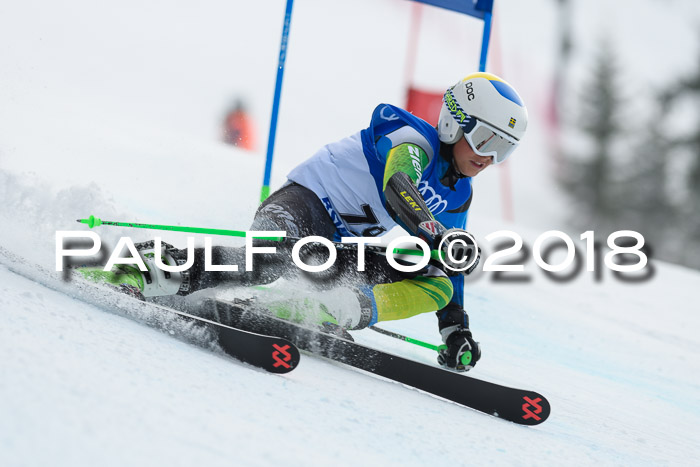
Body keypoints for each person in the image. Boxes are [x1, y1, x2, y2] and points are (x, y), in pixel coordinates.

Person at [83, 72, 527, 372]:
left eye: (503, 150)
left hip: (334, 250)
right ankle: (143, 269)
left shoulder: (459, 192)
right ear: (455, 121)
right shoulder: (412, 139)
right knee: (273, 259)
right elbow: (399, 183)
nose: (489, 158)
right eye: (486, 139)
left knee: (438, 281)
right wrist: (435, 233)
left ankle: (315, 310)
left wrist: (456, 328)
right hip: (301, 208)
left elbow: (446, 261)